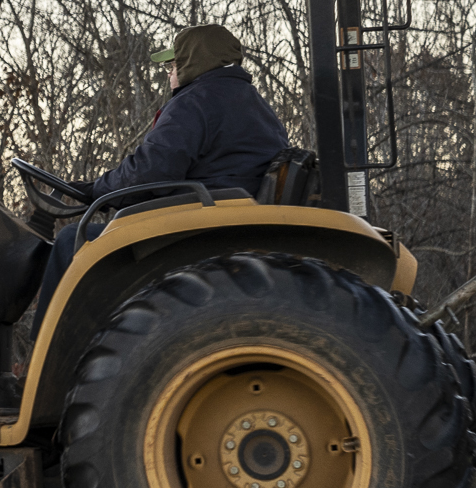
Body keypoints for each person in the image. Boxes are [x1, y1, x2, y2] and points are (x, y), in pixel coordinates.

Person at [28, 23, 289, 324]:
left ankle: (45, 362)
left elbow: (150, 172)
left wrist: (96, 190)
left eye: (173, 64)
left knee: (72, 240)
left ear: (194, 61)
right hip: (220, 225)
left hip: (191, 236)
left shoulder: (194, 103)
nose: (168, 72)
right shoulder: (256, 105)